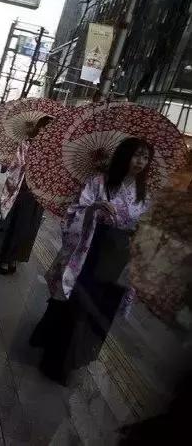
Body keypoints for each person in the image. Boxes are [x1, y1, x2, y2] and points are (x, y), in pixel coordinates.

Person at [30, 138, 153, 385]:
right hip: (89, 251)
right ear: (124, 155)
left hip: (117, 258)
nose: (140, 162)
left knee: (97, 311)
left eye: (145, 157)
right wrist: (95, 207)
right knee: (78, 306)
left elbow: (144, 229)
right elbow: (76, 210)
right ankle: (57, 363)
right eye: (136, 155)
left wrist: (140, 231)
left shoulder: (144, 195)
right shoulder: (99, 182)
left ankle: (73, 357)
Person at [0, 116, 53, 274]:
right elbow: (16, 165)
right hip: (22, 190)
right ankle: (5, 257)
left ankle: (15, 257)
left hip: (38, 195)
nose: (48, 132)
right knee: (14, 224)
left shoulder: (53, 151)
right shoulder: (26, 144)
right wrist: (31, 166)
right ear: (39, 128)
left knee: (28, 228)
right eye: (46, 128)